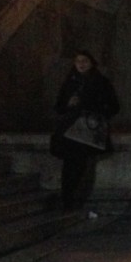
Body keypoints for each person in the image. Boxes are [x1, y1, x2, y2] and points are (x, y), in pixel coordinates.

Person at [53, 50, 120, 210]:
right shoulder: (70, 81)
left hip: (88, 131)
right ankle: (68, 199)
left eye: (85, 61)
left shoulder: (101, 82)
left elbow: (113, 106)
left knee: (81, 165)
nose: (81, 64)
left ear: (91, 63)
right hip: (71, 130)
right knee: (70, 165)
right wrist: (69, 104)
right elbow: (59, 107)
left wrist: (93, 110)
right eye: (78, 61)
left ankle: (74, 198)